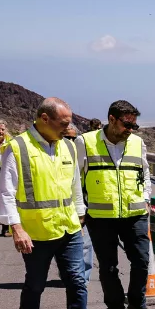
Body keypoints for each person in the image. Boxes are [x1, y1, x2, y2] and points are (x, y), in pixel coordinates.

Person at [0, 97, 103, 309]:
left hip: (69, 228)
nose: (69, 128)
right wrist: (16, 227)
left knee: (77, 281)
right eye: (64, 123)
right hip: (36, 233)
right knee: (35, 285)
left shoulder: (68, 147)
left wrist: (80, 214)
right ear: (44, 119)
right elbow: (6, 192)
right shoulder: (18, 147)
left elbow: (75, 184)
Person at [76, 100, 155, 309]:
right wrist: (80, 210)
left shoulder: (137, 143)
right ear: (111, 119)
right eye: (126, 124)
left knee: (142, 261)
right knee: (109, 268)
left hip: (135, 214)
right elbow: (76, 178)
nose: (130, 130)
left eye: (134, 125)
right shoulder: (85, 142)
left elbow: (145, 173)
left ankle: (137, 304)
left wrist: (146, 199)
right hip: (101, 217)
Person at [62, 122, 95, 284]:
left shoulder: (81, 153)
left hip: (82, 204)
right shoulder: (55, 155)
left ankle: (82, 278)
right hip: (61, 208)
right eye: (66, 137)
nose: (70, 141)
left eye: (73, 138)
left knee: (86, 244)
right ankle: (70, 273)